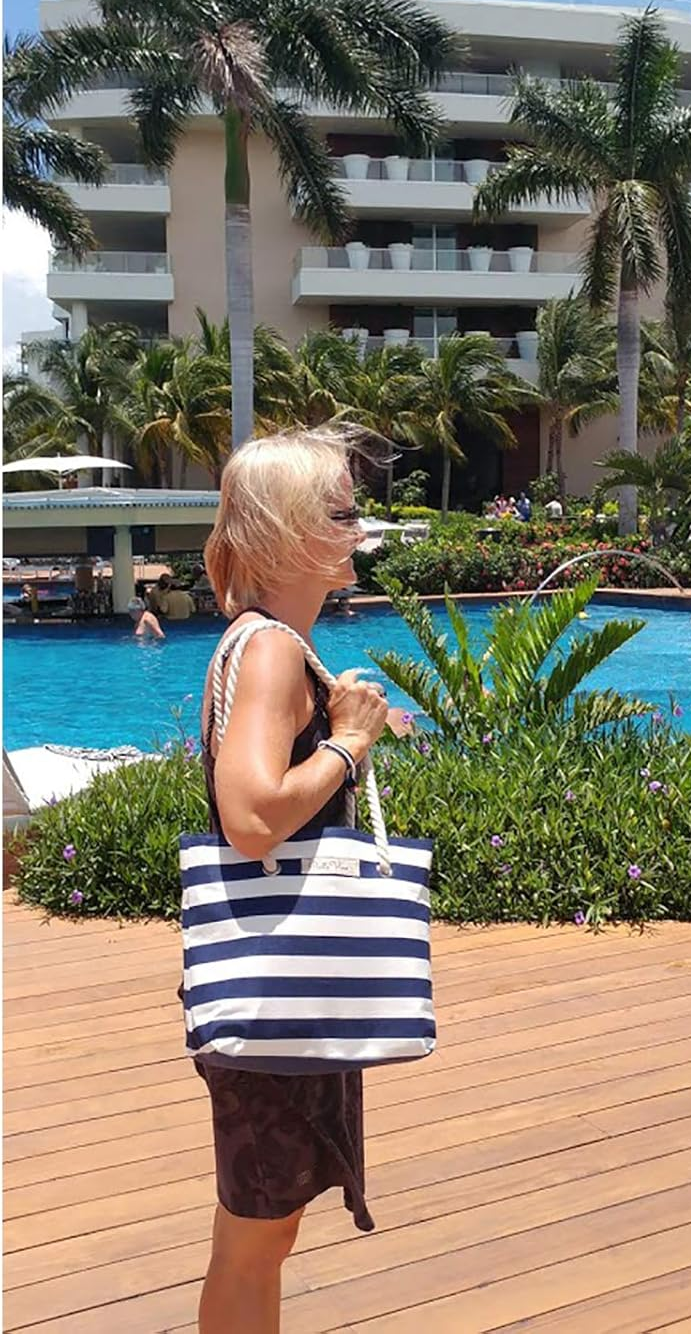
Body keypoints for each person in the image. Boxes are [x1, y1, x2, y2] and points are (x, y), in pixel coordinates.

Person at [195, 427, 390, 1334]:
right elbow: (250, 817)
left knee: (262, 1229)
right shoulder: (271, 649)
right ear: (287, 530)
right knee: (256, 1232)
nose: (359, 530)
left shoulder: (265, 643)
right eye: (341, 513)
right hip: (276, 983)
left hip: (280, 975)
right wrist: (349, 743)